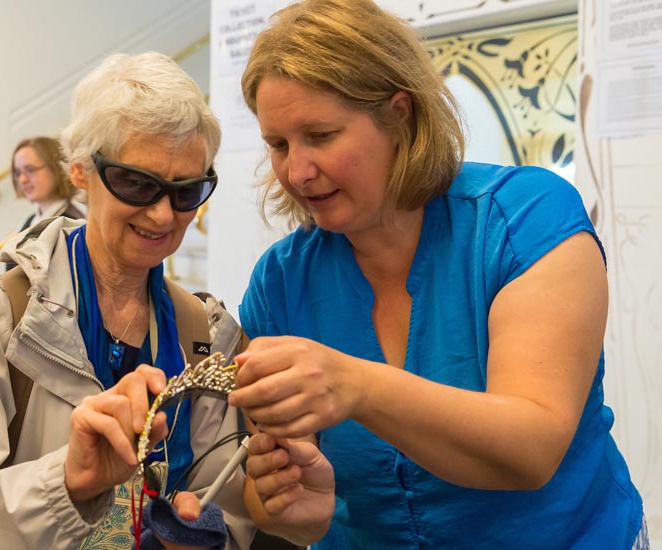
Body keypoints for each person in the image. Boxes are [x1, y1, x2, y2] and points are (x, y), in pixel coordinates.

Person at [227, 0, 648, 548]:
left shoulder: (524, 221)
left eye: (322, 135)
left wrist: (356, 385)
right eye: (279, 145)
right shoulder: (280, 283)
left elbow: (531, 449)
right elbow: (283, 507)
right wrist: (290, 507)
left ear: (399, 114)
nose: (297, 171)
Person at [0, 52, 254, 550]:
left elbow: (224, 507)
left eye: (187, 190)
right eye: (138, 184)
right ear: (79, 170)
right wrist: (64, 484)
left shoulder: (205, 333)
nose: (165, 215)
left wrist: (205, 534)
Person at [2, 135, 86, 271]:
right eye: (18, 173)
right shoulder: (29, 221)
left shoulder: (71, 224)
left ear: (56, 168)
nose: (22, 180)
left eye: (30, 170)